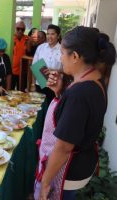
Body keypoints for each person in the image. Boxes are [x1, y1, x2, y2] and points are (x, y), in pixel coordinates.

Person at [37, 26, 116, 200]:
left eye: (62, 53)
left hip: (68, 169)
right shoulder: (95, 79)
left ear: (75, 57)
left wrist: (45, 183)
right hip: (82, 162)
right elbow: (77, 117)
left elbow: (64, 148)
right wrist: (59, 92)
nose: (60, 58)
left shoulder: (79, 93)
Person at [33, 24, 62, 104]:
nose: (49, 36)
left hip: (55, 86)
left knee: (51, 109)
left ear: (58, 36)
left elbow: (67, 70)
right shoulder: (41, 48)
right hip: (40, 84)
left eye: (52, 34)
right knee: (39, 109)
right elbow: (35, 66)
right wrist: (33, 84)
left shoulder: (62, 49)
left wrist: (54, 70)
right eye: (48, 34)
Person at [12, 20, 28, 90]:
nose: (20, 31)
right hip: (11, 71)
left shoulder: (27, 39)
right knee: (10, 91)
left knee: (21, 92)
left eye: (23, 29)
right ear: (15, 28)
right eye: (18, 29)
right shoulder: (11, 38)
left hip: (23, 71)